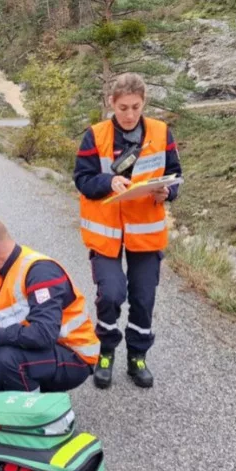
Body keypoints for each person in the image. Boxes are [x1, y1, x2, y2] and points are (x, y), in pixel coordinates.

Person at [73, 72, 183, 390]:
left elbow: (175, 174)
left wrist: (168, 192)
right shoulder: (95, 136)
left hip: (145, 233)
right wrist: (108, 182)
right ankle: (105, 352)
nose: (130, 114)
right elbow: (82, 179)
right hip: (106, 232)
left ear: (144, 102)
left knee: (143, 298)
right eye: (123, 107)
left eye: (135, 107)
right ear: (112, 103)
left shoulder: (162, 133)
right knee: (110, 295)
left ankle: (137, 357)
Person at [0, 218, 100, 402]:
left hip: (74, 355)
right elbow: (20, 309)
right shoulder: (13, 266)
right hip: (50, 348)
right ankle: (19, 393)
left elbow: (43, 334)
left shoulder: (40, 273)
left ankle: (33, 415)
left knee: (8, 358)